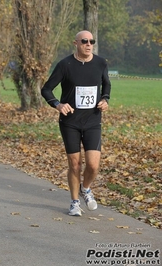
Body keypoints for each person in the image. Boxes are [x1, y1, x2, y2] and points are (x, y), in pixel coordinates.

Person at [41, 30, 111, 217]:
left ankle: (85, 188)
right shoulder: (65, 65)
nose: (89, 44)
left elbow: (107, 85)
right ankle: (74, 202)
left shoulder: (100, 63)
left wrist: (105, 99)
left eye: (91, 41)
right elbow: (46, 89)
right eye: (85, 41)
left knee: (93, 165)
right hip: (70, 121)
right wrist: (58, 104)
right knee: (74, 164)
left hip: (92, 121)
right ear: (76, 43)